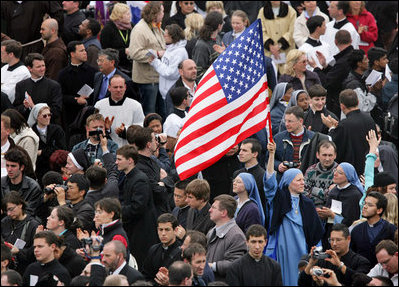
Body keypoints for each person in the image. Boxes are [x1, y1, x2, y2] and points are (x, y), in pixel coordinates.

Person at [264, 140, 323, 286]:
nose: (303, 183)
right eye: (298, 180)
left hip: (302, 246)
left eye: (303, 180)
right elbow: (270, 183)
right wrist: (272, 155)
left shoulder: (308, 203)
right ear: (288, 182)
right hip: (283, 246)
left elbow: (316, 231)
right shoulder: (279, 198)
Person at [116, 144, 158, 269]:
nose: (116, 162)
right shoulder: (129, 177)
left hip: (142, 232)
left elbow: (137, 207)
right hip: (135, 229)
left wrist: (117, 211)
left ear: (130, 161)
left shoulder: (139, 179)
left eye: (119, 159)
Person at [323, 89, 377, 176]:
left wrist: (332, 128)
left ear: (342, 106)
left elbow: (334, 145)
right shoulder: (369, 119)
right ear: (358, 102)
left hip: (351, 171)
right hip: (369, 166)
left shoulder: (344, 125)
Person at [299, 223, 371, 286]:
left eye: (338, 240)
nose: (334, 244)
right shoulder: (323, 260)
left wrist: (340, 265)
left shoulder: (361, 262)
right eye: (332, 240)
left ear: (348, 239)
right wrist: (310, 264)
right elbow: (302, 283)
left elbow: (361, 281)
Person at [128, 1, 166, 115]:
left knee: (162, 112)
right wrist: (157, 54)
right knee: (149, 113)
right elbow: (135, 53)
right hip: (147, 81)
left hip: (159, 78)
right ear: (156, 14)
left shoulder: (156, 27)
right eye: (162, 11)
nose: (164, 14)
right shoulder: (139, 30)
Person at [58, 40, 98, 133]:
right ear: (72, 54)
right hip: (70, 115)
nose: (85, 53)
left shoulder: (93, 72)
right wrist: (75, 100)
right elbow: (61, 95)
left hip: (89, 113)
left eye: (85, 50)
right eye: (81, 51)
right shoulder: (63, 74)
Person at [149, 24, 188, 119]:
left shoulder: (180, 52)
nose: (164, 37)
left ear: (173, 36)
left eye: (165, 35)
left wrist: (155, 62)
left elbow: (171, 73)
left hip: (173, 93)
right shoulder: (170, 49)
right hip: (166, 93)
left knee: (172, 119)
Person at [314, 29, 356, 117]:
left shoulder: (343, 61)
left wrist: (316, 68)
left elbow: (328, 82)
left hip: (339, 101)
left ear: (335, 42)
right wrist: (325, 66)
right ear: (351, 40)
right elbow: (337, 74)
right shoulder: (351, 56)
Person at [94, 75, 145, 147]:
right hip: (105, 147)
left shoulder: (135, 105)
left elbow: (141, 127)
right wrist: (106, 129)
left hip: (128, 148)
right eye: (115, 87)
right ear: (109, 88)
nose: (118, 90)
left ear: (125, 88)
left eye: (121, 87)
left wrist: (125, 131)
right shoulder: (99, 105)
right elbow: (93, 127)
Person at [206, 194, 247, 281]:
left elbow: (235, 264)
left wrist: (211, 266)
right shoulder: (211, 231)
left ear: (223, 212)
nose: (209, 210)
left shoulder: (236, 236)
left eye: (213, 207)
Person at [13, 53, 63, 124]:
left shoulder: (54, 86)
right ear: (29, 68)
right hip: (27, 126)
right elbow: (16, 109)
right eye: (38, 67)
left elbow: (57, 110)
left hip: (47, 126)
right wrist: (25, 107)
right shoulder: (21, 85)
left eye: (43, 65)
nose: (42, 69)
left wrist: (34, 107)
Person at [351, 192, 397, 266]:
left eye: (370, 205)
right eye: (364, 203)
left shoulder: (391, 230)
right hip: (360, 274)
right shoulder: (357, 230)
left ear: (379, 210)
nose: (365, 207)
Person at [134, 127, 171, 216]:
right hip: (151, 217)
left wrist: (163, 181)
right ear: (148, 145)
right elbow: (157, 193)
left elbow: (170, 185)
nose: (157, 142)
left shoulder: (154, 161)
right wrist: (164, 181)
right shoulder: (138, 167)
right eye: (155, 139)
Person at [1, 191, 41, 272]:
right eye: (6, 211)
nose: (9, 213)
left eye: (11, 209)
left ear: (20, 205)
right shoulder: (4, 222)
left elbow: (35, 251)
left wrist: (18, 252)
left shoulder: (33, 225)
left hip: (24, 268)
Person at [272, 106, 315, 179]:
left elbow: (317, 160)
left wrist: (304, 166)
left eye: (290, 121)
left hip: (306, 179)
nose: (286, 124)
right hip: (284, 179)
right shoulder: (278, 138)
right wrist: (278, 165)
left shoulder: (313, 138)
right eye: (285, 121)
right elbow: (270, 158)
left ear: (300, 121)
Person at [30, 104, 67, 186]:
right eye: (44, 115)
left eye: (49, 115)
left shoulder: (57, 130)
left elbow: (62, 149)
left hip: (55, 168)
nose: (48, 117)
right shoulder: (31, 132)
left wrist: (42, 152)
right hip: (38, 169)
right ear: (37, 117)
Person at [257, 1, 297, 74]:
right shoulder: (262, 12)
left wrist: (279, 45)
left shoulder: (291, 11)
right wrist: (270, 46)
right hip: (269, 53)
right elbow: (260, 30)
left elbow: (292, 30)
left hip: (287, 53)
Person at [141, 213, 182, 284]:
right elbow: (145, 276)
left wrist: (169, 283)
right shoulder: (153, 250)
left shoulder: (182, 251)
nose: (163, 233)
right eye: (161, 230)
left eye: (167, 230)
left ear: (175, 230)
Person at [1, 148, 42, 215]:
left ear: (22, 167)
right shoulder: (2, 183)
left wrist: (4, 212)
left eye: (13, 166)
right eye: (7, 165)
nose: (9, 169)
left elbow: (29, 213)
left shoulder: (33, 187)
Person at [233, 138, 267, 216]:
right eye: (240, 150)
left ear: (254, 154)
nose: (240, 153)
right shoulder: (237, 173)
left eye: (244, 151)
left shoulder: (263, 175)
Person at [100, 3, 133, 75]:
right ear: (119, 16)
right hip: (116, 68)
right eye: (127, 14)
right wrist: (124, 51)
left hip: (132, 66)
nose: (130, 15)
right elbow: (106, 51)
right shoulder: (108, 29)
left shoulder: (131, 26)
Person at [304, 140, 338, 208]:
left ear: (335, 155)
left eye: (330, 155)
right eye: (324, 155)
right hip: (312, 208)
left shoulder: (339, 172)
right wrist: (325, 194)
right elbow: (304, 192)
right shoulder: (310, 171)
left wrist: (313, 190)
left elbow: (336, 196)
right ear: (317, 155)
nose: (327, 159)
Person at [192, 11, 224, 81]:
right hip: (208, 83)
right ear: (219, 26)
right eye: (222, 23)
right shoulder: (201, 45)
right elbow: (198, 70)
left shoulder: (218, 38)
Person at [1, 40, 30, 104]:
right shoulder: (4, 68)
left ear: (11, 54)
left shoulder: (23, 72)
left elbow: (7, 93)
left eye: (2, 53)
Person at [163, 87, 190, 153]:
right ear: (184, 100)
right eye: (189, 96)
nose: (190, 98)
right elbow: (170, 145)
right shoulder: (171, 120)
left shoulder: (187, 114)